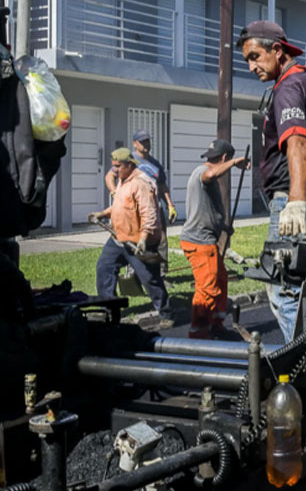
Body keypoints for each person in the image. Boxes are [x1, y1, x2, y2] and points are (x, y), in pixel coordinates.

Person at [237, 20, 306, 343]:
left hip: (296, 205)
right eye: (247, 61)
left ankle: (305, 367)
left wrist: (296, 202)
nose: (251, 66)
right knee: (303, 291)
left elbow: (298, 142)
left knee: (283, 290)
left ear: (277, 50)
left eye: (255, 56)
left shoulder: (289, 88)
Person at [90, 147, 172, 327]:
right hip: (118, 238)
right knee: (104, 267)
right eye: (113, 167)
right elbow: (120, 206)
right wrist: (104, 213)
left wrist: (143, 239)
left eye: (118, 166)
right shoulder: (123, 181)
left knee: (149, 278)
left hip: (138, 242)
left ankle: (165, 314)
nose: (115, 170)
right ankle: (108, 308)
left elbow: (149, 214)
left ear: (129, 165)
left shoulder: (140, 183)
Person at [179, 139, 250, 339]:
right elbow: (211, 174)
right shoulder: (203, 172)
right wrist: (236, 163)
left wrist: (224, 226)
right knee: (208, 288)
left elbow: (206, 209)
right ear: (224, 158)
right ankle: (198, 332)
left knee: (221, 278)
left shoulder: (202, 177)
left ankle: (216, 323)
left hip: (205, 238)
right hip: (200, 241)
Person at [107, 129, 176, 275]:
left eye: (147, 141)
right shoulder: (128, 160)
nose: (146, 144)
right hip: (134, 209)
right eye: (142, 141)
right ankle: (135, 272)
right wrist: (115, 193)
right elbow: (109, 176)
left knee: (161, 240)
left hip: (154, 207)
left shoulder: (155, 164)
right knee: (135, 239)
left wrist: (170, 205)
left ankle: (161, 274)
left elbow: (162, 186)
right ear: (135, 143)